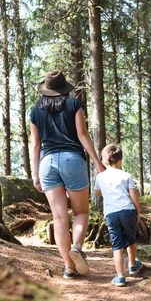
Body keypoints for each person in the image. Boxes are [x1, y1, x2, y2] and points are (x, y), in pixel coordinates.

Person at [30, 70, 105, 280]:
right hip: (72, 160)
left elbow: (36, 145)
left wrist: (35, 174)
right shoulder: (73, 105)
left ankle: (69, 268)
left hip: (47, 163)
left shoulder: (35, 112)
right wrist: (98, 164)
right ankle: (77, 247)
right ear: (64, 88)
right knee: (81, 212)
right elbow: (82, 135)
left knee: (59, 218)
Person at [94, 143, 143, 287]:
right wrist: (137, 212)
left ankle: (120, 276)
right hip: (128, 211)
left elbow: (97, 192)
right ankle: (133, 265)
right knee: (131, 239)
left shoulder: (100, 177)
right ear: (120, 160)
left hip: (111, 214)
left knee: (117, 245)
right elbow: (133, 194)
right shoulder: (126, 175)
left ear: (104, 161)